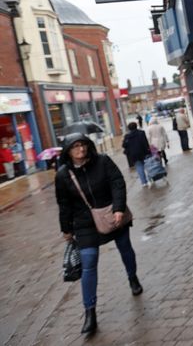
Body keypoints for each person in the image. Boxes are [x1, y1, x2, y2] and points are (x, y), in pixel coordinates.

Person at [55, 133, 142, 335]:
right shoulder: (62, 175)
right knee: (89, 260)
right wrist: (66, 229)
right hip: (84, 223)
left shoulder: (102, 161)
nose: (81, 150)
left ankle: (133, 278)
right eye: (76, 146)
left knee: (125, 248)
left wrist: (119, 208)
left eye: (84, 145)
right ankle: (90, 313)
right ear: (68, 150)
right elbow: (64, 204)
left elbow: (117, 182)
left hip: (111, 213)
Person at [122, 122, 151, 187]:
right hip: (143, 152)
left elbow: (124, 145)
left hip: (134, 154)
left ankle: (144, 182)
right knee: (148, 166)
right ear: (136, 126)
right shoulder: (141, 133)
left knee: (139, 167)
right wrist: (149, 151)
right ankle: (150, 179)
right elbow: (145, 143)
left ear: (129, 128)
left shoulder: (127, 136)